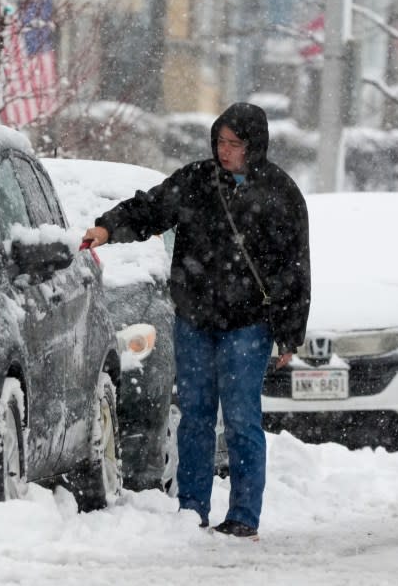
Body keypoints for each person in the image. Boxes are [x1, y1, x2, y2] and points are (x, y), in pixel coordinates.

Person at [82, 102, 310, 537]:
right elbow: (149, 209)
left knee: (242, 418)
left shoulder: (281, 193)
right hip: (195, 318)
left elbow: (295, 269)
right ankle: (192, 509)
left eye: (235, 144)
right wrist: (107, 228)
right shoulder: (196, 181)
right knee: (196, 415)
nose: (225, 152)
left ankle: (243, 514)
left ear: (255, 145)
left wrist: (288, 334)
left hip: (249, 324)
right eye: (220, 142)